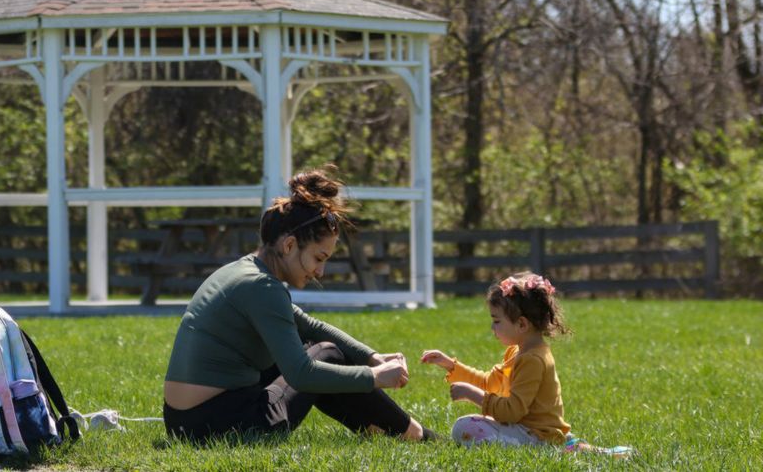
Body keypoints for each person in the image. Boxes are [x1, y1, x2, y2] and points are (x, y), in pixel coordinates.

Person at [162, 168, 434, 443]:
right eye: (319, 258)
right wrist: (373, 376)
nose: (321, 272)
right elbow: (302, 374)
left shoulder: (242, 271)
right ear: (290, 245)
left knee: (311, 346)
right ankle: (413, 434)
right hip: (222, 426)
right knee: (325, 354)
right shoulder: (263, 288)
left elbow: (309, 326)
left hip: (182, 422)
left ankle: (383, 427)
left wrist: (371, 356)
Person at [420, 271, 571, 447]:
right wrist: (451, 366)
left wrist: (472, 395)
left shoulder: (532, 360)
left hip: (537, 436)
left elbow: (511, 412)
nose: (492, 327)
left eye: (497, 321)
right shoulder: (517, 352)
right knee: (470, 424)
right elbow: (490, 382)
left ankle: (538, 447)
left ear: (522, 324)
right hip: (527, 430)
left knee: (465, 427)